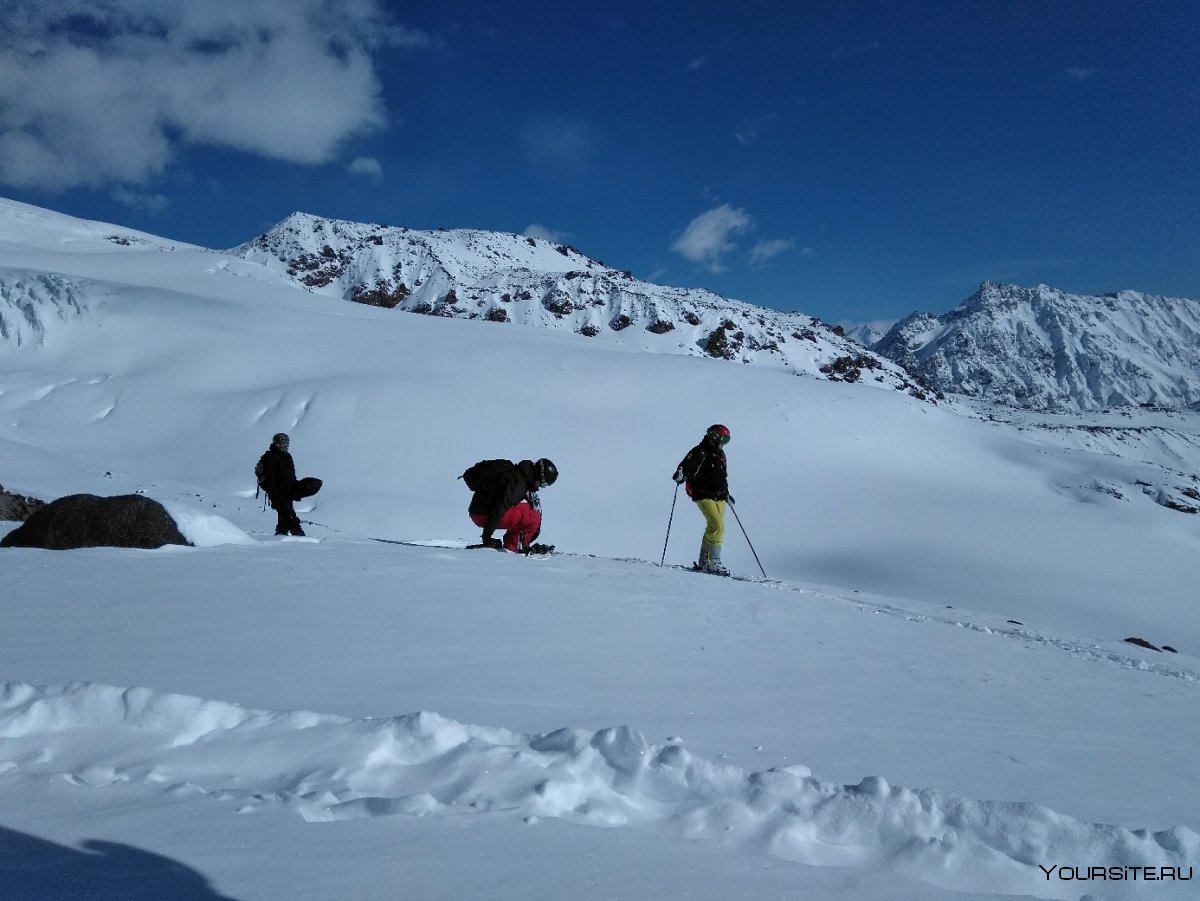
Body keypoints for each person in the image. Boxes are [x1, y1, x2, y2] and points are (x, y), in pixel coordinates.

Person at [673, 424, 732, 575]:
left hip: (719, 496)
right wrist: (681, 475)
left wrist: (726, 493)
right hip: (703, 494)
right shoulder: (700, 452)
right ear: (714, 436)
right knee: (718, 525)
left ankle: (704, 562)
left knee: (713, 528)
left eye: (727, 440)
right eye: (723, 439)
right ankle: (714, 561)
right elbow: (685, 466)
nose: (724, 443)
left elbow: (722, 476)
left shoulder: (720, 454)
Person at [465, 457, 558, 552]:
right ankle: (514, 546)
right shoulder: (519, 484)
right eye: (544, 484)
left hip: (480, 509)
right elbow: (500, 507)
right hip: (482, 515)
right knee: (533, 516)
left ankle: (513, 543)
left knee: (528, 509)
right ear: (539, 477)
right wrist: (487, 536)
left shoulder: (518, 474)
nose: (541, 487)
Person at [256, 432, 305, 536]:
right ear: (276, 444)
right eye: (282, 444)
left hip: (289, 491)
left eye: (287, 444)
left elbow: (291, 476)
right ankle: (298, 534)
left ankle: (281, 534)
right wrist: (274, 494)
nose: (285, 447)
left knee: (284, 516)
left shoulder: (287, 456)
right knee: (289, 515)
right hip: (278, 492)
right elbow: (270, 478)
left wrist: (296, 489)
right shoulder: (271, 457)